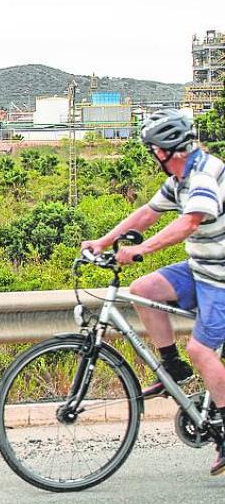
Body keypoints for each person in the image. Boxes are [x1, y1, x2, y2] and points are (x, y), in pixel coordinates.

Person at [82, 108, 225, 474]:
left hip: (221, 278)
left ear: (165, 150)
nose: (151, 156)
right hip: (201, 269)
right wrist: (105, 240)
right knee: (143, 289)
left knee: (201, 349)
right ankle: (173, 369)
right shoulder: (180, 177)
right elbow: (148, 213)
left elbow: (189, 222)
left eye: (153, 149)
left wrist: (142, 250)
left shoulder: (204, 175)